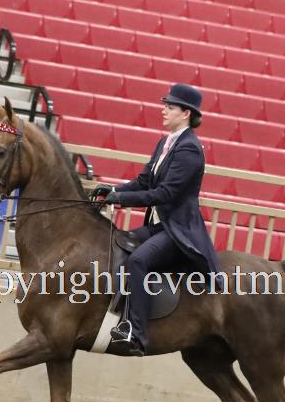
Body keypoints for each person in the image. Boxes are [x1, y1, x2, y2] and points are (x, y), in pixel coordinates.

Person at [93, 83, 220, 356]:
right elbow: (144, 181)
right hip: (159, 226)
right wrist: (113, 190)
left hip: (178, 232)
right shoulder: (165, 142)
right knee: (118, 241)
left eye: (170, 107)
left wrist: (120, 200)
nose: (164, 110)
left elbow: (165, 193)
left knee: (138, 261)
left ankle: (136, 334)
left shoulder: (189, 149)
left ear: (185, 113)